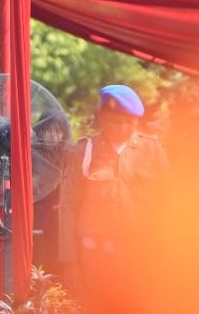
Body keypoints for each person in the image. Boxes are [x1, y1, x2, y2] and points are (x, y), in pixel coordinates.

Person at [57, 84, 168, 289]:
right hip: (96, 259)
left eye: (129, 123)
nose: (123, 129)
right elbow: (68, 207)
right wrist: (69, 261)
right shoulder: (84, 152)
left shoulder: (151, 150)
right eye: (116, 122)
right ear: (102, 117)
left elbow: (167, 204)